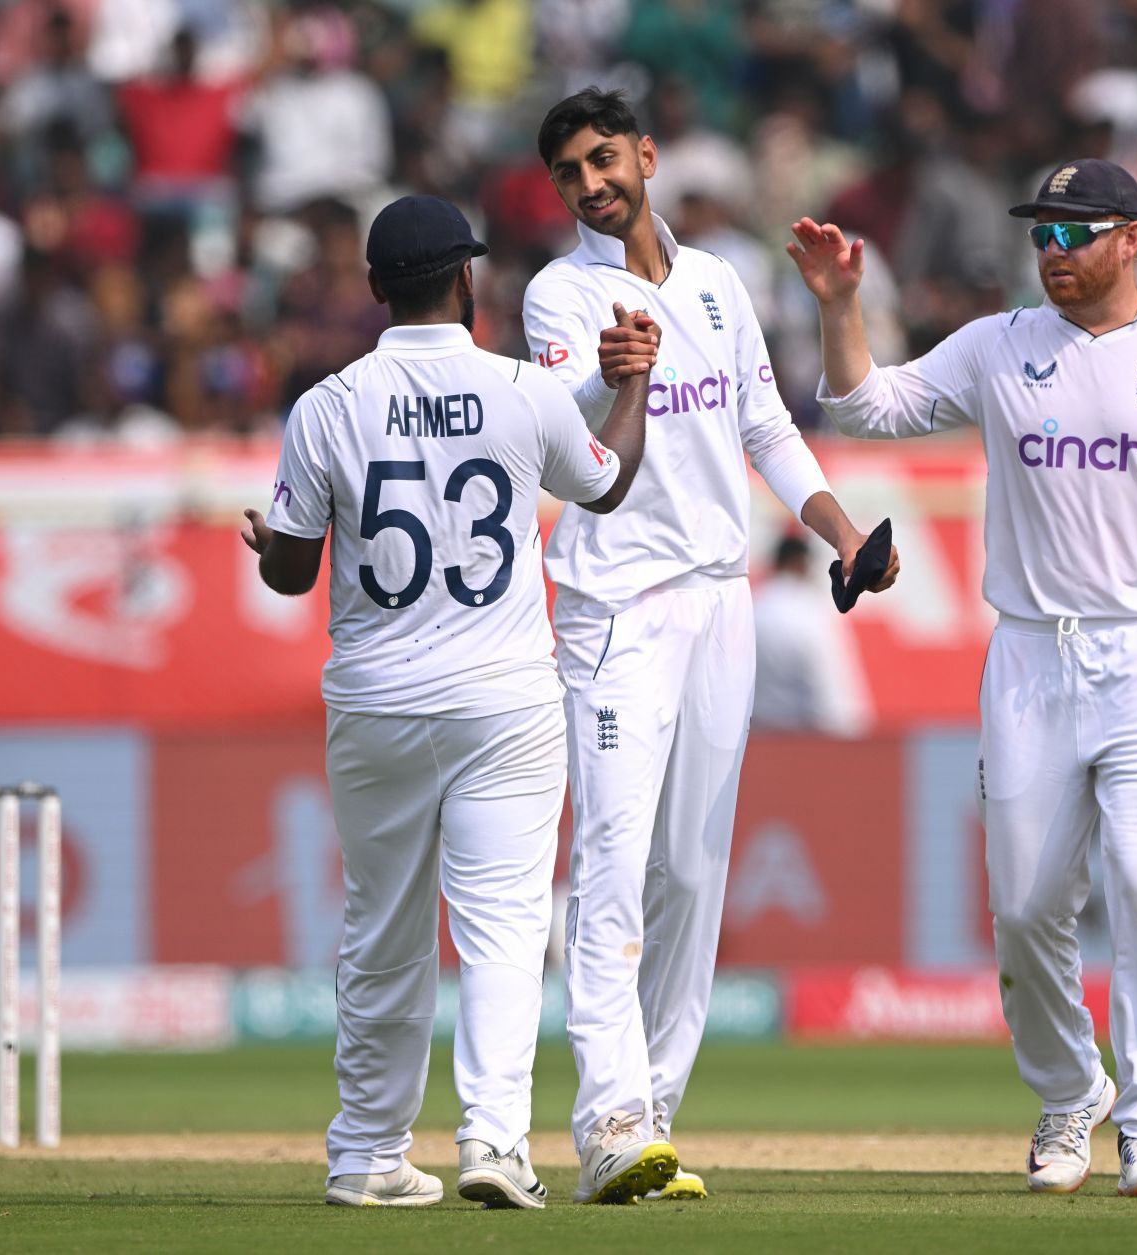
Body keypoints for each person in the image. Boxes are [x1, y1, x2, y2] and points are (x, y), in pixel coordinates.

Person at [789, 158, 1137, 1199]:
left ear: (1131, 238)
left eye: (1076, 233)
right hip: (1028, 650)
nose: (1053, 252)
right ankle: (1073, 1091)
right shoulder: (1002, 343)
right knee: (1023, 904)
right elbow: (863, 410)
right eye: (1042, 235)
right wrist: (844, 308)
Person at [239, 194, 656, 1210]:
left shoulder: (328, 404)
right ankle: (494, 1141)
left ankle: (366, 1152)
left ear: (376, 288)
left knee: (380, 929)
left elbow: (293, 577)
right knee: (506, 930)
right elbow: (605, 485)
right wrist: (632, 386)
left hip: (377, 700)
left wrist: (274, 543)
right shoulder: (522, 389)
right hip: (504, 697)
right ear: (468, 279)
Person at [522, 87, 898, 1206]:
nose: (590, 185)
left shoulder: (721, 280)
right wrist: (609, 369)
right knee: (612, 865)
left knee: (691, 871)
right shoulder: (559, 293)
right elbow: (559, 445)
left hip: (718, 601)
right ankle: (608, 1120)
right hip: (613, 608)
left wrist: (839, 532)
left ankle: (657, 1122)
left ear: (645, 155)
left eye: (601, 161)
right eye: (568, 175)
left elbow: (765, 426)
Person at [753, 534, 873, 737]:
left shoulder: (753, 608)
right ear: (802, 564)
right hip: (807, 741)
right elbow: (832, 691)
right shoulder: (813, 612)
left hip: (756, 738)